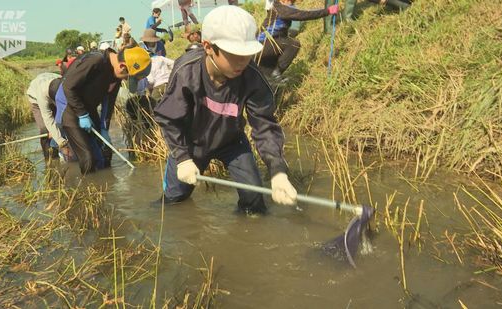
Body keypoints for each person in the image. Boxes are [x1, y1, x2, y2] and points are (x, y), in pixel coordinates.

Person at [153, 6, 297, 214]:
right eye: (234, 54)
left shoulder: (253, 78)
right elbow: (168, 118)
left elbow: (264, 125)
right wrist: (182, 158)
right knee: (174, 201)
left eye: (247, 54)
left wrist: (277, 171)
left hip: (232, 142)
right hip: (191, 144)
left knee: (255, 201)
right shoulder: (186, 72)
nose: (242, 62)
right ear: (208, 47)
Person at [55, 45, 151, 174]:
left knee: (105, 151)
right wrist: (82, 115)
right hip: (68, 106)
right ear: (122, 66)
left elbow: (108, 102)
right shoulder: (95, 61)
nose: (125, 80)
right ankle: (88, 188)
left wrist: (104, 127)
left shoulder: (116, 75)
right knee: (87, 157)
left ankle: (106, 185)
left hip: (88, 107)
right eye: (127, 77)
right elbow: (68, 87)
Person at [256, 0, 338, 82]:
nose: (292, 4)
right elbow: (304, 14)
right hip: (263, 44)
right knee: (293, 45)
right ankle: (276, 74)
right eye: (290, 1)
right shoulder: (281, 9)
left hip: (264, 47)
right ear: (283, 1)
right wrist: (328, 11)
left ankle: (272, 80)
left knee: (266, 78)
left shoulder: (278, 7)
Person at [26, 73, 75, 161]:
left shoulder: (64, 84)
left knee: (61, 123)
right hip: (36, 100)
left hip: (53, 93)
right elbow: (47, 118)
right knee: (45, 130)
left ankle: (64, 150)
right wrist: (61, 142)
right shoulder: (42, 96)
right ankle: (49, 158)